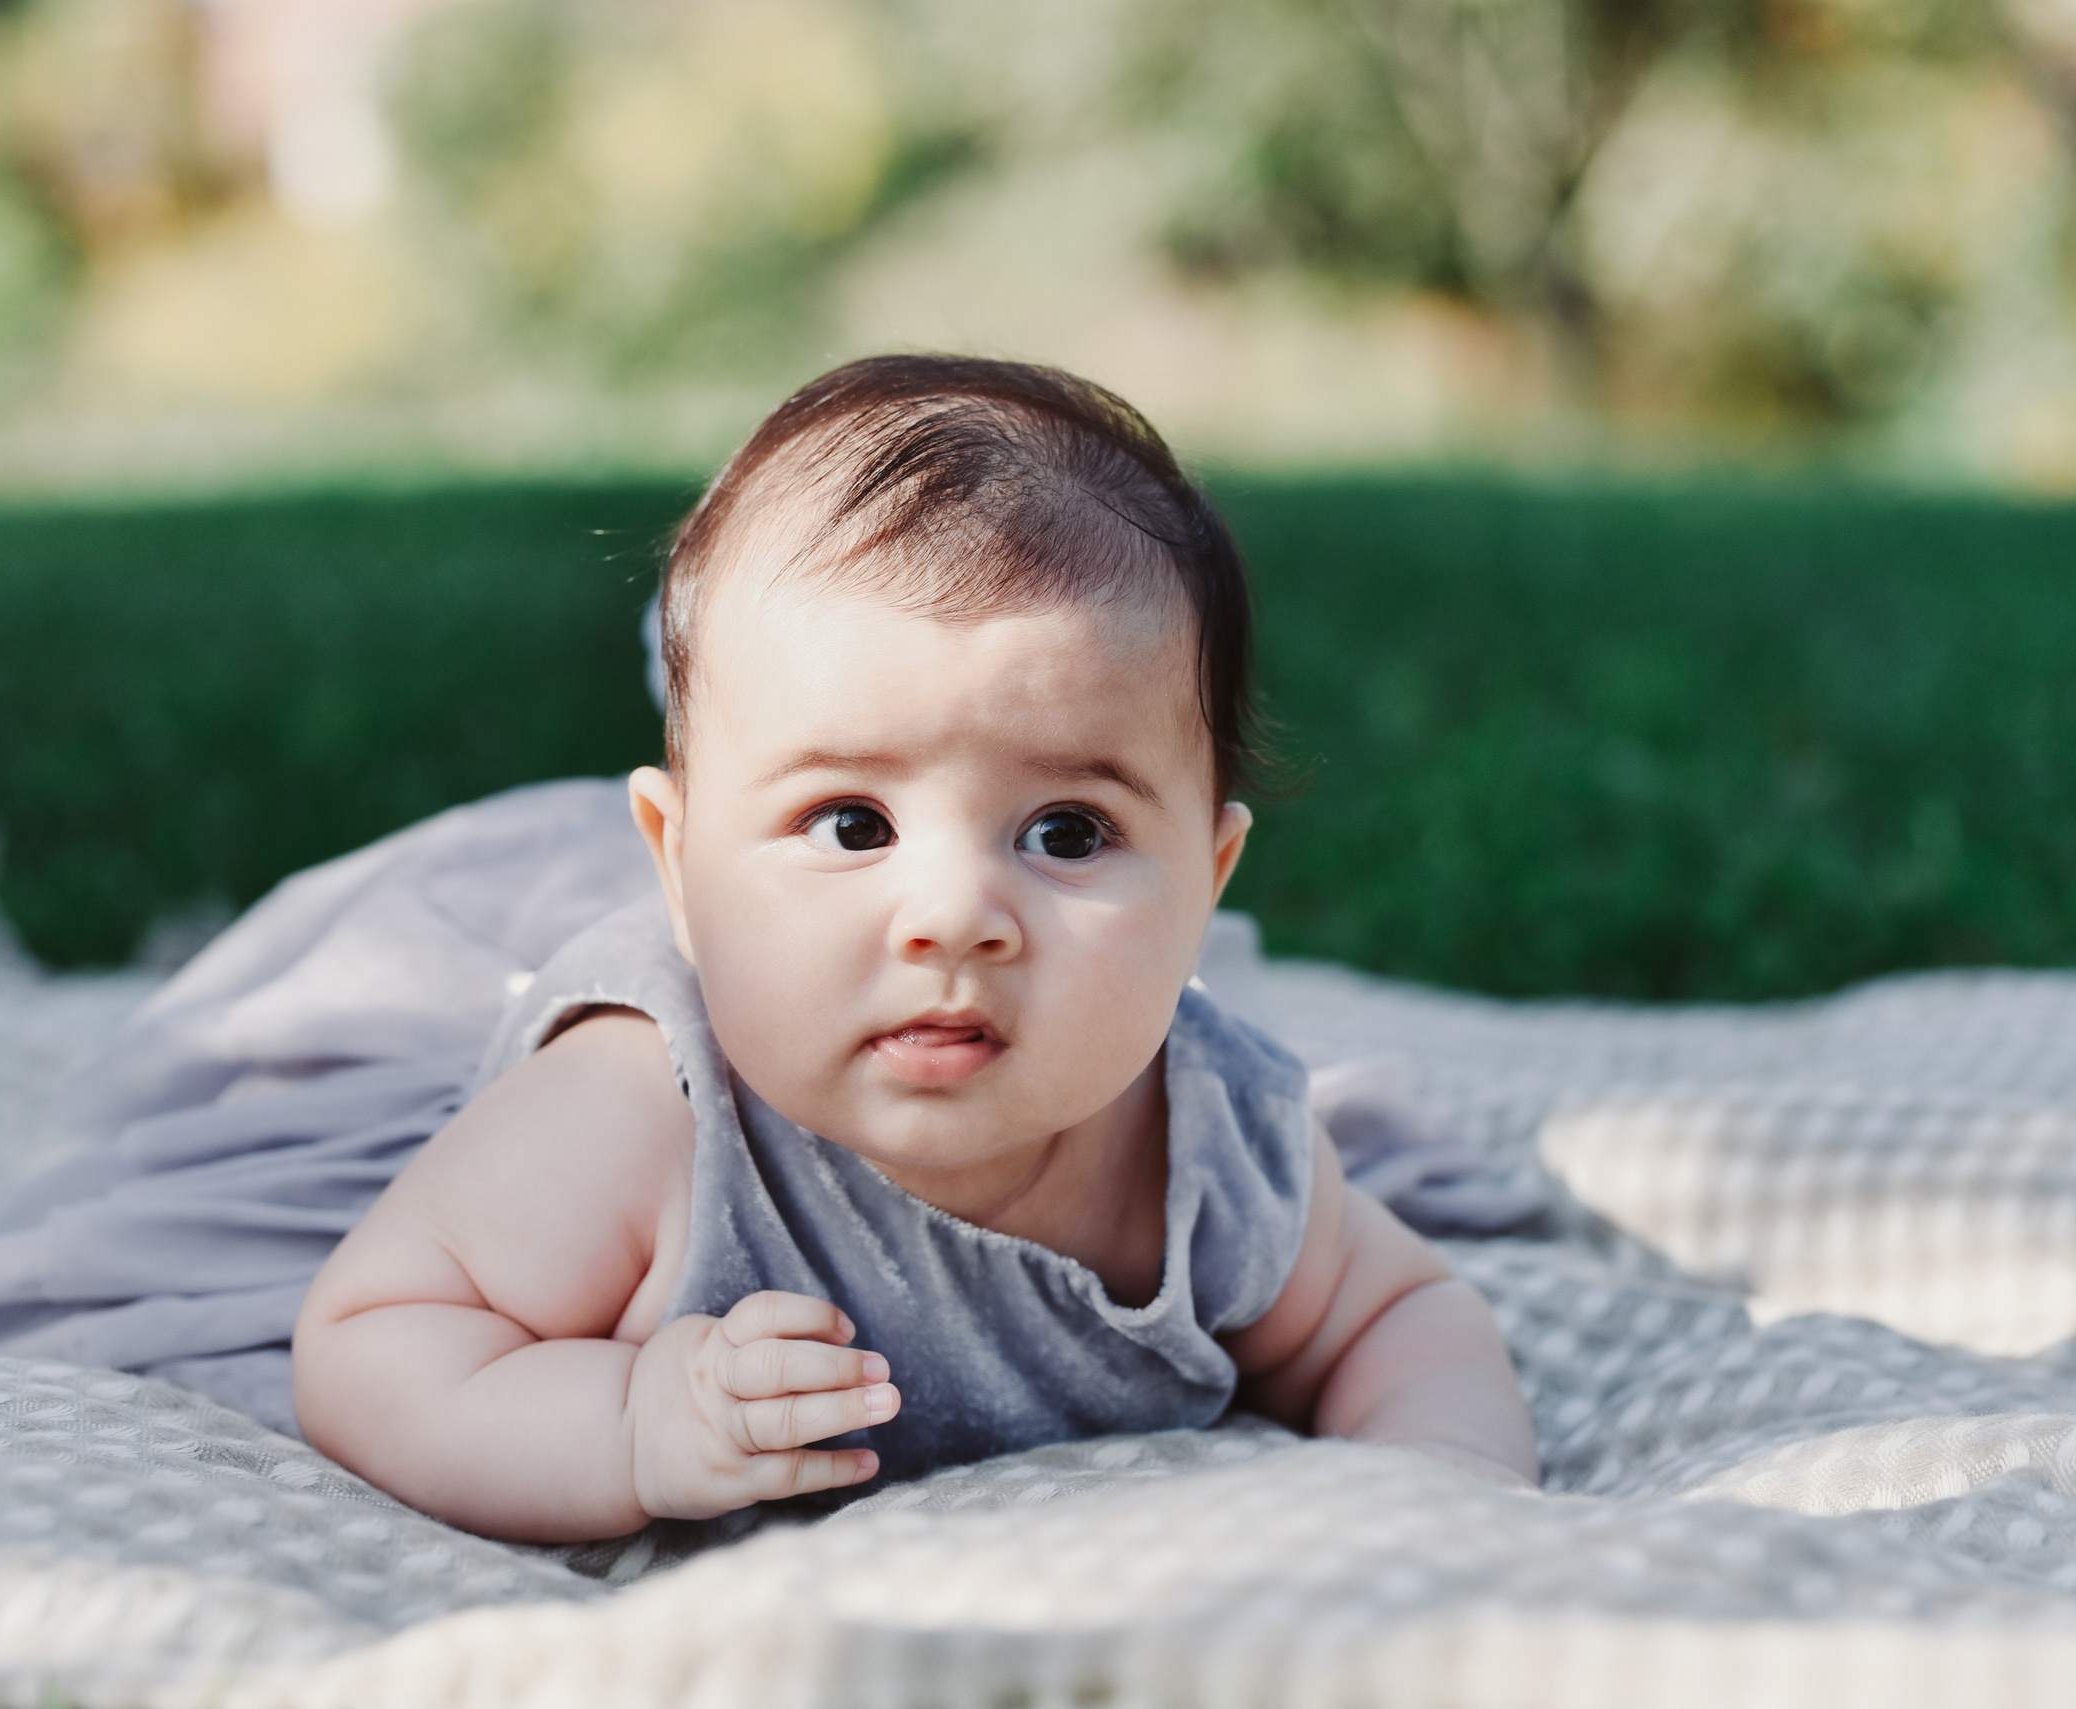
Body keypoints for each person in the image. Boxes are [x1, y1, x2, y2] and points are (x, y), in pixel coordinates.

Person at [287, 356, 1538, 1543]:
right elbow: (371, 1335)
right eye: (851, 823)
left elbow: (1400, 1314)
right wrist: (623, 1422)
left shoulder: (1214, 1146)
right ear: (676, 867)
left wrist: (1441, 1485)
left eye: (1066, 829)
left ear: (1207, 882)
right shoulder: (637, 1112)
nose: (954, 914)